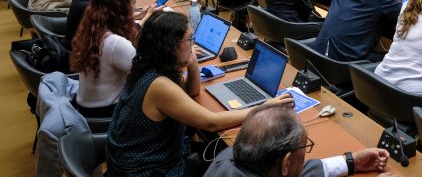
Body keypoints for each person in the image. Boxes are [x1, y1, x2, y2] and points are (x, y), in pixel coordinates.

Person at [106, 11, 294, 177]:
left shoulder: (151, 66)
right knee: (238, 161)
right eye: (189, 40)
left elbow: (192, 90)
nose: (192, 44)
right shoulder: (158, 85)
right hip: (147, 171)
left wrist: (192, 62)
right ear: (170, 46)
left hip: (141, 159)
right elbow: (212, 123)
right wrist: (264, 107)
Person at [204, 104, 395, 177]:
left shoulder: (227, 157)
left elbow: (297, 171)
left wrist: (350, 161)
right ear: (286, 164)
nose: (304, 159)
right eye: (304, 150)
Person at [71, 0, 159, 118]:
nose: (134, 6)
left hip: (86, 107)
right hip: (107, 114)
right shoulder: (117, 44)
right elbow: (148, 77)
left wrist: (138, 17)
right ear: (122, 9)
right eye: (133, 2)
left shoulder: (93, 28)